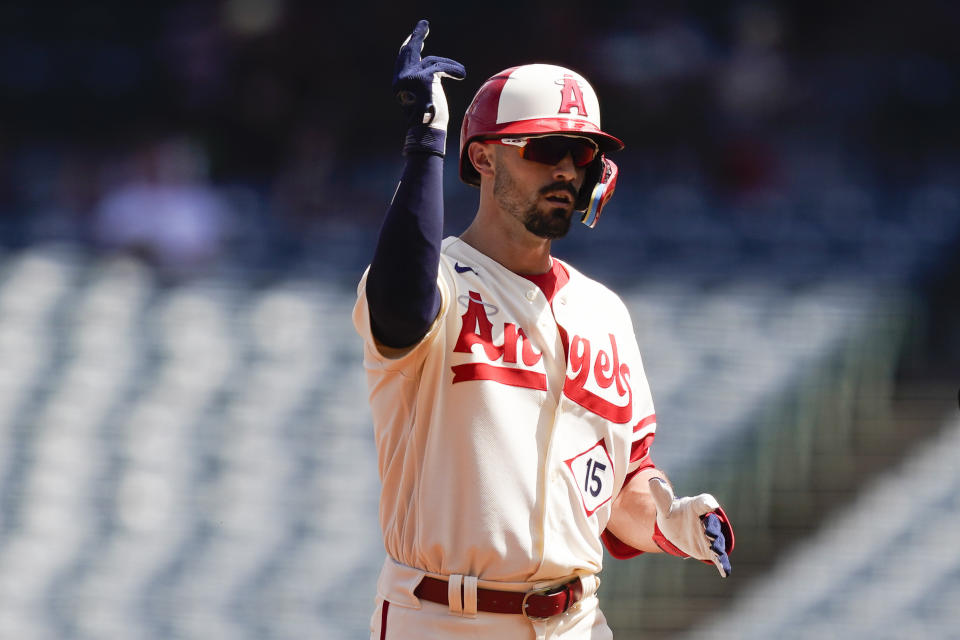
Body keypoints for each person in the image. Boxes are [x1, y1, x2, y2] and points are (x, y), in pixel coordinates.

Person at [353, 19, 734, 640]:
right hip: (442, 618)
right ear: (482, 158)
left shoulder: (604, 312)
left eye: (580, 153)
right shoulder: (440, 280)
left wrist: (671, 518)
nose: (566, 168)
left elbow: (621, 478)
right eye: (543, 148)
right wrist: (426, 144)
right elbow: (398, 311)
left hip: (577, 622)